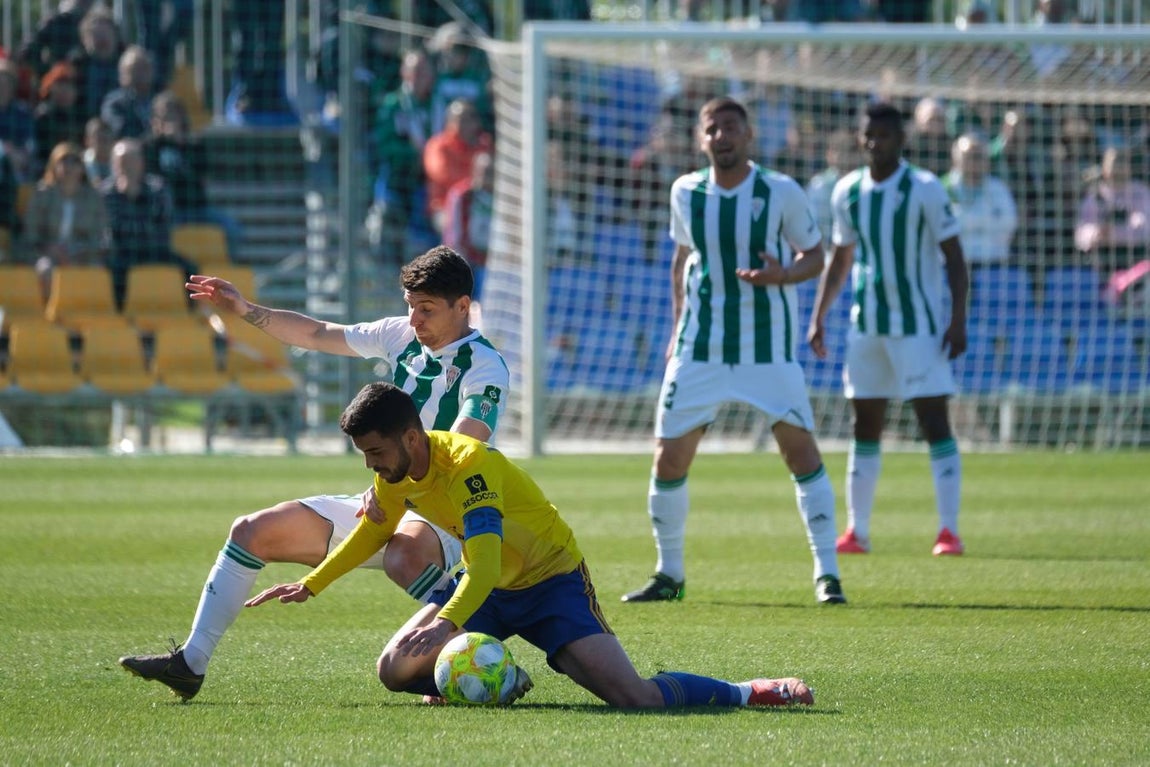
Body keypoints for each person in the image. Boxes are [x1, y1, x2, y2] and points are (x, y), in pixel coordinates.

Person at [246, 381, 815, 710]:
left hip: (549, 581)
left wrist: (446, 625)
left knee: (634, 699)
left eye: (374, 452)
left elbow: (489, 562)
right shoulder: (395, 474)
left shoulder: (469, 466)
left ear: (410, 438)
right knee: (393, 669)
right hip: (485, 590)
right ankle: (503, 680)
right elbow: (374, 529)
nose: (370, 466)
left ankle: (750, 692)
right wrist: (313, 583)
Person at [118, 246, 511, 702]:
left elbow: (466, 442)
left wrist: (398, 488)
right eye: (410, 306)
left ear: (462, 307)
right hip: (387, 498)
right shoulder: (399, 336)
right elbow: (318, 332)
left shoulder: (484, 366)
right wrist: (245, 310)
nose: (415, 318)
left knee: (404, 553)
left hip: (446, 511)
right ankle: (190, 664)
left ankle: (474, 639)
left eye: (426, 309)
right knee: (251, 531)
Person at [620, 96, 846, 606]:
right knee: (669, 458)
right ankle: (669, 574)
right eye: (712, 128)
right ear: (701, 140)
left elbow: (815, 255)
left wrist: (783, 275)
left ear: (748, 136)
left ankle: (828, 575)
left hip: (766, 350)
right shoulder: (685, 192)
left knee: (801, 452)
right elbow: (682, 261)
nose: (721, 136)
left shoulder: (779, 191)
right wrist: (677, 331)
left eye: (730, 127)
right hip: (699, 347)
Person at [808, 100, 969, 557]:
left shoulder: (925, 188)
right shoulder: (848, 191)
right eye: (868, 135)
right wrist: (819, 315)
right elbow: (840, 259)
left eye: (884, 135)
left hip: (918, 326)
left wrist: (957, 319)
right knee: (865, 424)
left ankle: (949, 530)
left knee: (933, 420)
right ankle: (857, 532)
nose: (875, 143)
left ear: (902, 139)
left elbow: (955, 259)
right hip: (867, 327)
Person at [143, 91, 243, 258]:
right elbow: (152, 178)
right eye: (164, 115)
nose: (170, 119)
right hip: (169, 211)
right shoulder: (149, 146)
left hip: (198, 208)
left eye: (173, 114)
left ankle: (227, 268)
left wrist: (180, 143)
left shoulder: (195, 145)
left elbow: (200, 177)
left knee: (233, 229)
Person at [100, 137, 195, 307]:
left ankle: (193, 313)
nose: (128, 166)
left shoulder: (158, 189)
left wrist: (135, 210)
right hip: (122, 252)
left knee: (189, 269)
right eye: (123, 162)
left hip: (153, 250)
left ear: (141, 163)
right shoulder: (106, 193)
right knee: (111, 270)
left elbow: (163, 224)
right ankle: (119, 314)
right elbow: (113, 228)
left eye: (132, 160)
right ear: (114, 165)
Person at [20, 141, 108, 297]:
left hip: (83, 255)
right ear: (54, 166)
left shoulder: (93, 198)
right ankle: (49, 314)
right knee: (45, 269)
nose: (69, 166)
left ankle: (86, 313)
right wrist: (48, 249)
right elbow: (30, 233)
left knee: (97, 270)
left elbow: (100, 235)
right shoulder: (42, 194)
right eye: (63, 161)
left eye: (74, 161)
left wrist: (81, 251)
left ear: (82, 168)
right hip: (47, 254)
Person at [942, 132, 1018, 284]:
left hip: (994, 264)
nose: (976, 161)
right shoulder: (942, 187)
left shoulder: (998, 188)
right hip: (950, 266)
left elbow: (1009, 225)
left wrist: (966, 223)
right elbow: (942, 229)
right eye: (970, 156)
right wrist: (984, 222)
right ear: (956, 158)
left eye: (980, 156)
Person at [423, 98, 493, 235]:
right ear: (449, 122)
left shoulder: (484, 144)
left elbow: (492, 175)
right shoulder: (438, 146)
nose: (466, 125)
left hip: (481, 203)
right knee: (454, 227)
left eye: (471, 119)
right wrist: (476, 179)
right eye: (460, 119)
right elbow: (443, 175)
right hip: (444, 207)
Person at [442, 150, 493, 301]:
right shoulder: (462, 196)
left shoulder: (502, 198)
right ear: (474, 170)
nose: (487, 176)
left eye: (491, 172)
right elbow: (453, 234)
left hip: (493, 262)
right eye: (484, 171)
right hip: (468, 262)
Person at [100, 45, 155, 140]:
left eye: (144, 68)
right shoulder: (114, 103)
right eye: (135, 69)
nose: (140, 74)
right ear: (122, 75)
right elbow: (118, 130)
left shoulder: (160, 102)